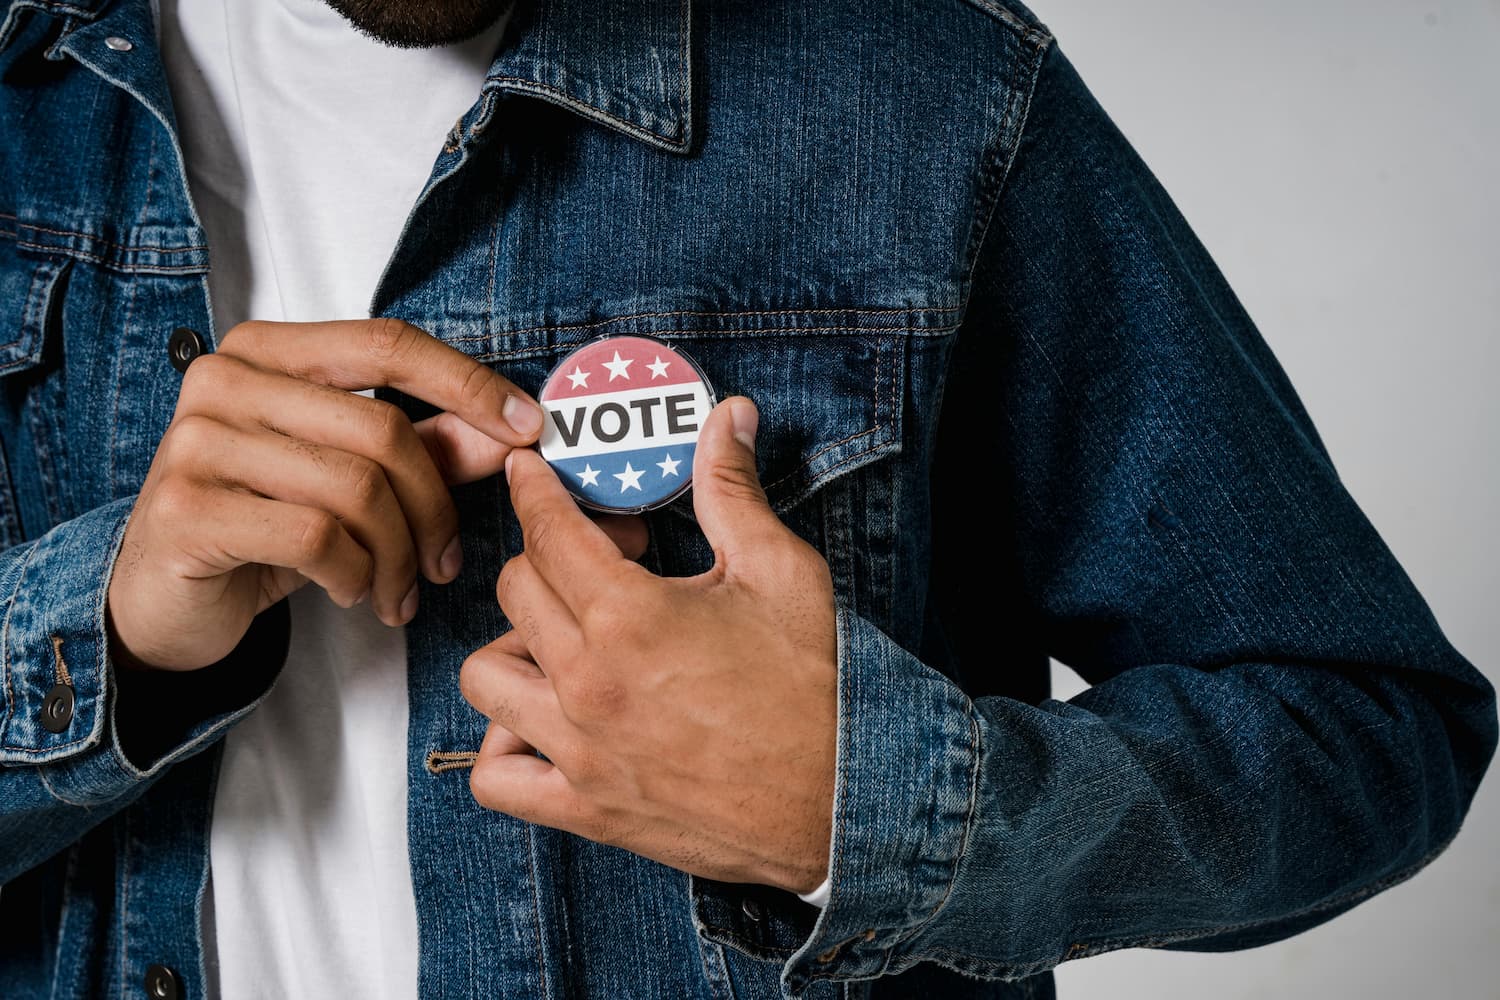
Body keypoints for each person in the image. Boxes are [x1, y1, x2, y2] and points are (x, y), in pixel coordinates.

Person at [0, 0, 1493, 997]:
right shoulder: (24, 112)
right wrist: (99, 634)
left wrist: (869, 805)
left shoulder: (929, 91)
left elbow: (1368, 731)